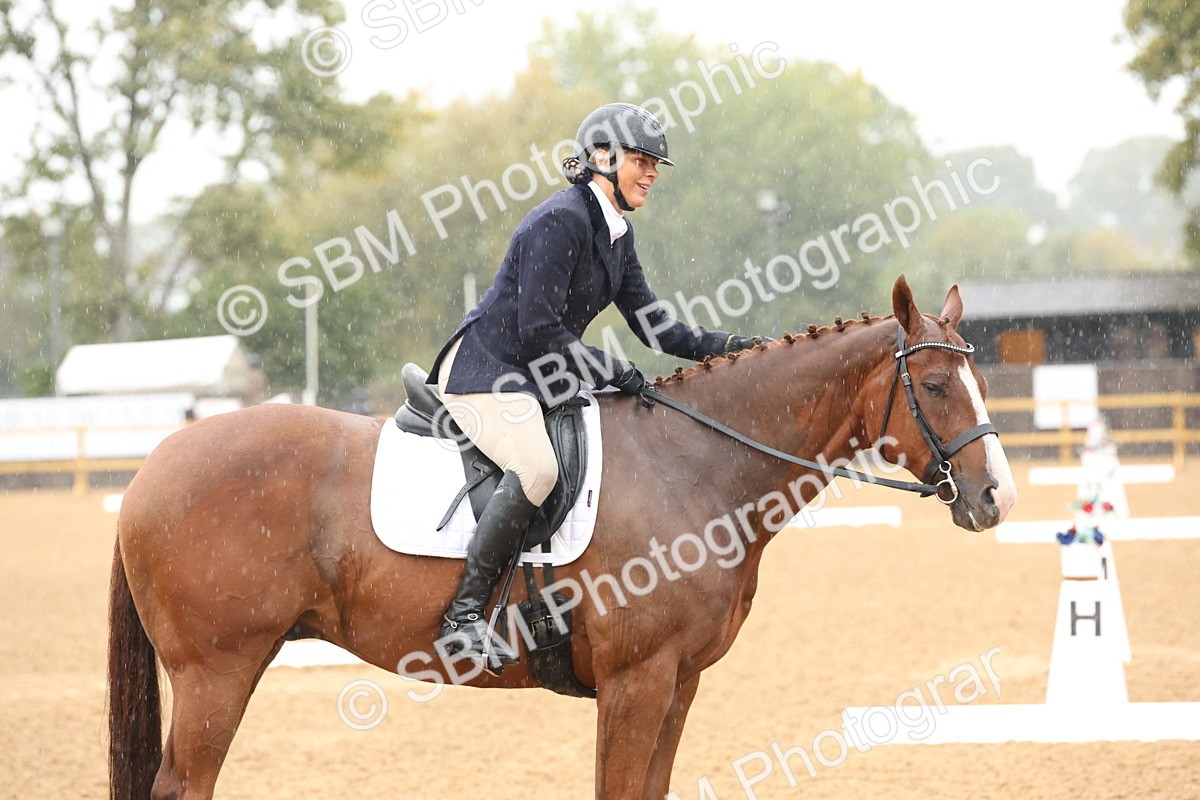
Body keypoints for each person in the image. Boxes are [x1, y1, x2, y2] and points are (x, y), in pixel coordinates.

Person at [427, 102, 765, 674]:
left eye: (655, 162)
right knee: (537, 470)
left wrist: (737, 349)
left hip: (538, 375)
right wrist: (611, 370)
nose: (652, 172)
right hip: (486, 372)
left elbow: (656, 326)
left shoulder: (616, 233)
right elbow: (537, 327)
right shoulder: (560, 220)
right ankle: (462, 618)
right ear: (601, 158)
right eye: (641, 160)